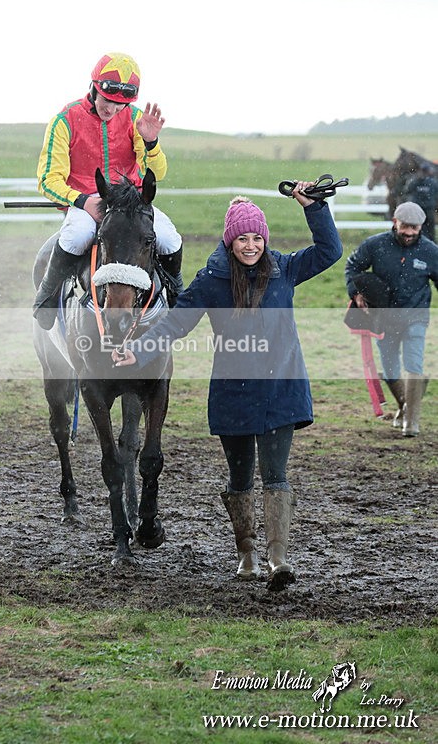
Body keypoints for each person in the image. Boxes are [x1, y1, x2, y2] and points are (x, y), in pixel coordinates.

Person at [112, 183, 343, 591]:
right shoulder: (213, 281)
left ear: (265, 239)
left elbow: (329, 250)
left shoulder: (285, 268)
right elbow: (176, 322)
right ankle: (247, 556)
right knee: (240, 479)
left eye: (257, 237)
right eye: (243, 238)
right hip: (234, 392)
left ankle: (278, 560)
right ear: (230, 240)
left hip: (281, 390)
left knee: (276, 475)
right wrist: (139, 350)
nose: (251, 245)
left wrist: (314, 208)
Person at [33, 52, 183, 329]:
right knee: (77, 235)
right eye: (108, 100)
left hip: (132, 205)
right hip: (85, 203)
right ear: (93, 88)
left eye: (120, 104)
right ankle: (47, 296)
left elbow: (158, 173)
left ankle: (176, 296)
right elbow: (47, 179)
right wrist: (81, 200)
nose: (112, 109)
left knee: (169, 239)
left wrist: (151, 143)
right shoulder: (64, 120)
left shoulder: (137, 119)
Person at [346, 201, 438, 436]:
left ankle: (412, 422)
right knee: (389, 369)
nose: (409, 233)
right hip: (383, 316)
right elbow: (353, 266)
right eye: (405, 226)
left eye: (414, 228)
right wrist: (355, 293)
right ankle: (405, 407)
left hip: (416, 315)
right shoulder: (374, 245)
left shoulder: (430, 251)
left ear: (421, 227)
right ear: (395, 222)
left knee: (413, 363)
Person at [404, 164, 438, 242]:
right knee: (418, 227)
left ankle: (430, 243)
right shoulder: (416, 181)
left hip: (428, 209)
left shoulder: (432, 182)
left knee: (429, 229)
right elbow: (408, 190)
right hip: (418, 210)